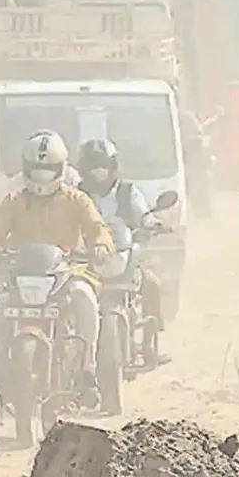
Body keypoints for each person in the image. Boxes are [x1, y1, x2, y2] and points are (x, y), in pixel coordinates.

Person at [0, 131, 114, 402]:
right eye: (36, 168)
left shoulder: (77, 200)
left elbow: (97, 228)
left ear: (62, 168)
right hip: (21, 277)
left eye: (49, 169)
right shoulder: (14, 201)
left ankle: (87, 370)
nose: (42, 176)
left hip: (67, 273)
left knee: (85, 298)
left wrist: (100, 245)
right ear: (26, 167)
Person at [76, 139, 167, 333]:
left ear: (113, 166)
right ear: (84, 168)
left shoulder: (128, 191)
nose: (99, 171)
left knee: (152, 285)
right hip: (86, 260)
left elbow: (143, 214)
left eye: (103, 165)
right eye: (93, 165)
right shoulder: (76, 195)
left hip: (123, 254)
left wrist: (154, 223)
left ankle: (151, 337)